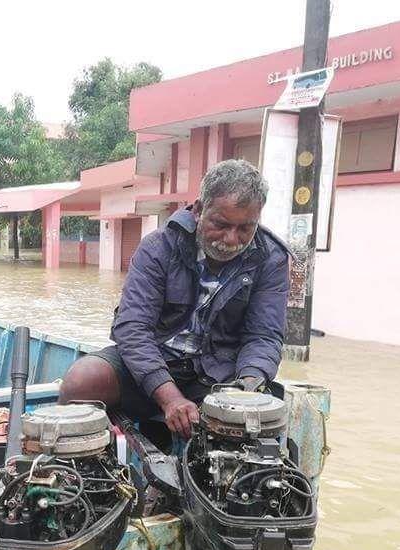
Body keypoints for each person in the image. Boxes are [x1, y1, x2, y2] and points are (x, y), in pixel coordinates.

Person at [60, 159, 290, 439]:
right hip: (150, 364)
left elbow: (264, 337)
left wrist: (246, 388)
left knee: (262, 423)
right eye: (221, 224)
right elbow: (133, 329)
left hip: (216, 375)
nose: (231, 239)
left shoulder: (270, 259)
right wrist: (169, 397)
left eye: (245, 228)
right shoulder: (158, 247)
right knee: (81, 381)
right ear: (198, 210)